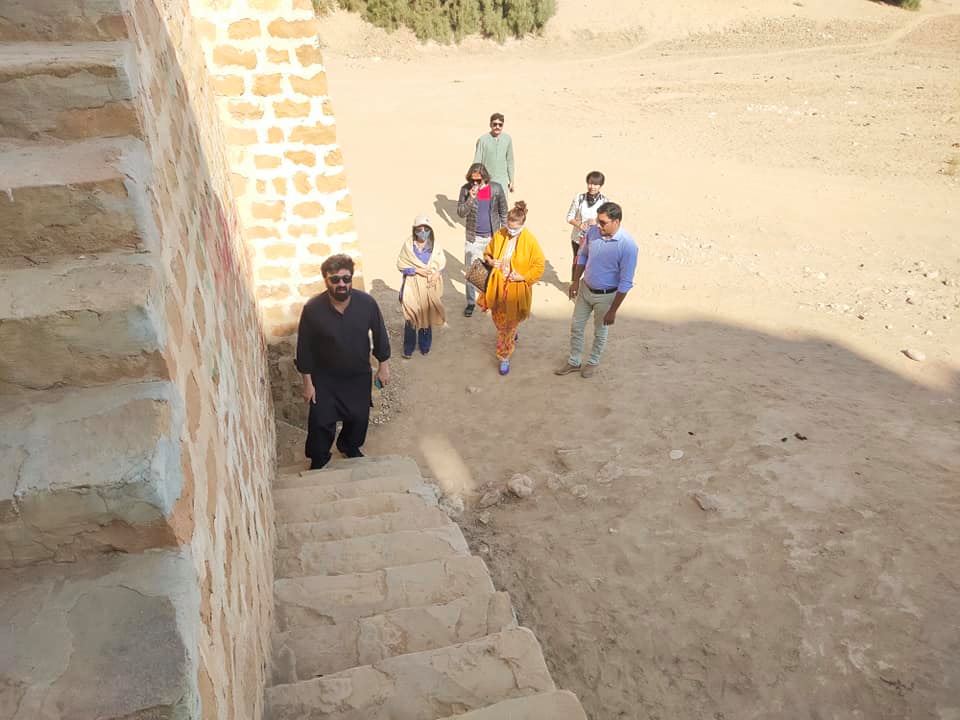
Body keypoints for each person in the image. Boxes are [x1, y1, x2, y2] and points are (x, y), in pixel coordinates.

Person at [296, 254, 391, 469]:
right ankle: (319, 457)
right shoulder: (312, 310)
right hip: (324, 378)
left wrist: (383, 366)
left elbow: (380, 335)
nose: (341, 284)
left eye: (346, 279)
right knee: (321, 421)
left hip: (357, 375)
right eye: (335, 279)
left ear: (351, 279)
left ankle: (349, 445)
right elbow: (304, 348)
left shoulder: (367, 304)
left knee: (358, 417)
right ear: (326, 281)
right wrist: (307, 383)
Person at [555, 201, 638, 379]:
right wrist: (575, 281)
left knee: (600, 330)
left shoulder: (628, 246)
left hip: (606, 297)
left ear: (616, 222)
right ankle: (574, 360)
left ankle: (593, 361)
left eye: (603, 223)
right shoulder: (592, 232)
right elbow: (582, 255)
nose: (598, 226)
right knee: (576, 326)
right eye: (598, 221)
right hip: (586, 289)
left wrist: (613, 310)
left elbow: (625, 282)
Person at [477, 201, 545, 376]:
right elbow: (487, 253)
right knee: (499, 321)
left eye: (514, 228)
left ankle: (504, 355)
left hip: (515, 291)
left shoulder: (530, 241)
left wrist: (523, 277)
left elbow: (538, 265)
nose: (511, 231)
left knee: (507, 327)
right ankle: (509, 335)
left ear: (522, 225)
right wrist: (492, 261)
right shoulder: (500, 234)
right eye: (509, 226)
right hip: (497, 287)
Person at [457, 162, 507, 317]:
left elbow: (503, 211)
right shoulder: (466, 190)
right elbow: (461, 212)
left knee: (494, 271)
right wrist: (470, 199)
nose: (475, 183)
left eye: (478, 180)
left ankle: (491, 300)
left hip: (492, 237)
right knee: (471, 272)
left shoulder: (496, 189)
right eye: (473, 180)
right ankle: (471, 302)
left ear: (485, 177)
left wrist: (505, 235)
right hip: (473, 238)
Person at [397, 214, 446, 359]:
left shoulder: (435, 246)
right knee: (411, 316)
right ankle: (408, 348)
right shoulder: (408, 246)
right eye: (420, 229)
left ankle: (425, 346)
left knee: (426, 315)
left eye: (426, 229)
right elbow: (401, 265)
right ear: (414, 230)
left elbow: (441, 263)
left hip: (428, 286)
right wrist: (416, 270)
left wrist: (437, 273)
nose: (423, 232)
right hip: (412, 285)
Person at [566, 170, 609, 261]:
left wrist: (596, 222)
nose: (592, 187)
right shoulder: (579, 198)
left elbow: (607, 222)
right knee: (577, 263)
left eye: (595, 184)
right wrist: (580, 225)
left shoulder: (605, 202)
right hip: (577, 238)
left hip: (595, 240)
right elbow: (569, 217)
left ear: (600, 186)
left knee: (591, 265)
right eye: (590, 183)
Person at [473, 112, 515, 195]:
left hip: (502, 181)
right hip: (485, 181)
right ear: (490, 125)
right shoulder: (483, 140)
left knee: (502, 207)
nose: (497, 127)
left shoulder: (507, 139)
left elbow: (510, 161)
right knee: (484, 207)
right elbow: (477, 162)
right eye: (495, 124)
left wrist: (511, 180)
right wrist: (476, 181)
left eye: (500, 125)